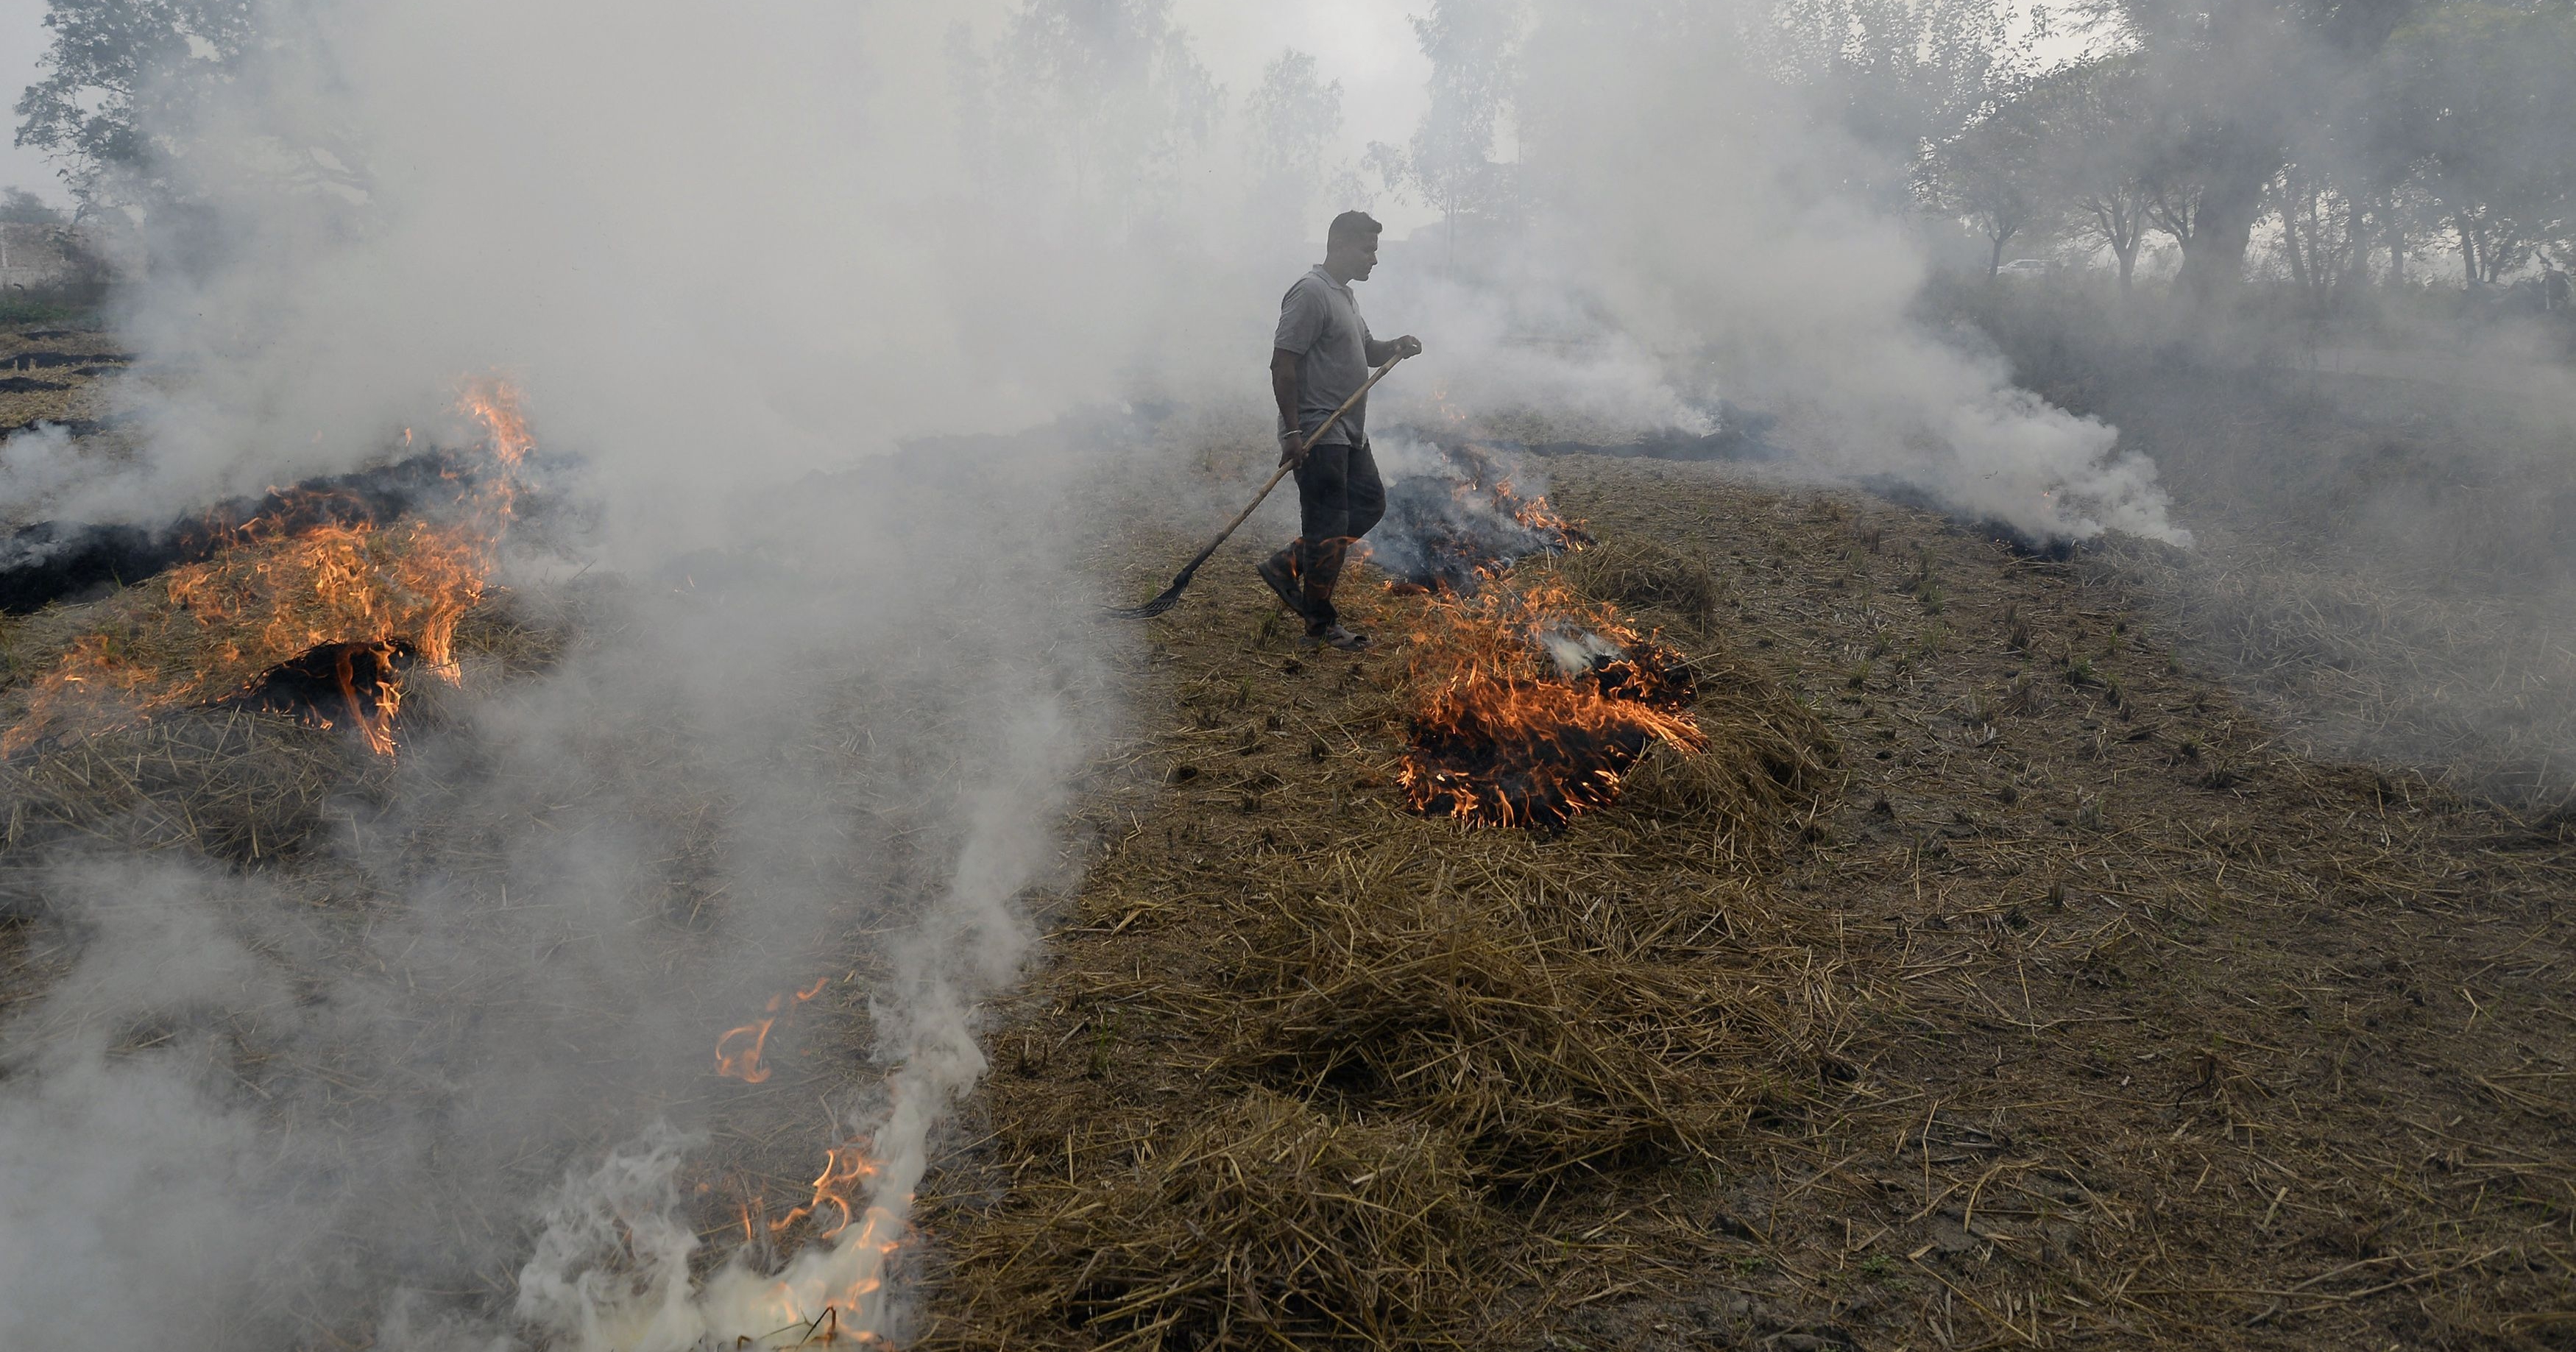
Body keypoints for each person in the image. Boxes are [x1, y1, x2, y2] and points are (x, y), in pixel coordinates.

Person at [1256, 210, 1423, 651]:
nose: (1373, 259)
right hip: (1318, 429)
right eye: (1367, 249)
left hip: (1350, 430)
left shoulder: (1345, 297)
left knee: (1369, 504)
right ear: (1341, 245)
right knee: (1329, 524)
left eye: (1375, 250)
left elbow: (1367, 349)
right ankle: (1320, 624)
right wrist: (1292, 433)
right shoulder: (1310, 293)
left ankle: (1288, 563)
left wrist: (1396, 347)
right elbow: (1283, 363)